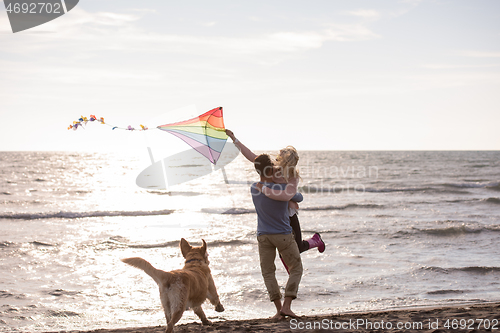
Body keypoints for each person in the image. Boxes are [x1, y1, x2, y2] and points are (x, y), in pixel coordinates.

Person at [225, 129, 325, 272]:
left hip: (289, 215)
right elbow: (253, 157)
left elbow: (286, 195)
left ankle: (316, 241)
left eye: (282, 152)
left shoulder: (292, 177)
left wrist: (271, 192)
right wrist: (234, 139)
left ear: (286, 160)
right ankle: (292, 274)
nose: (279, 151)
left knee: (297, 247)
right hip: (277, 213)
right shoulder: (273, 169)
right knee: (282, 250)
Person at [251, 153, 303, 320]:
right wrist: (284, 182)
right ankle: (287, 306)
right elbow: (299, 197)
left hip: (263, 235)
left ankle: (278, 310)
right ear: (271, 167)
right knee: (296, 268)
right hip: (283, 235)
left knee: (268, 272)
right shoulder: (281, 188)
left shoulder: (254, 188)